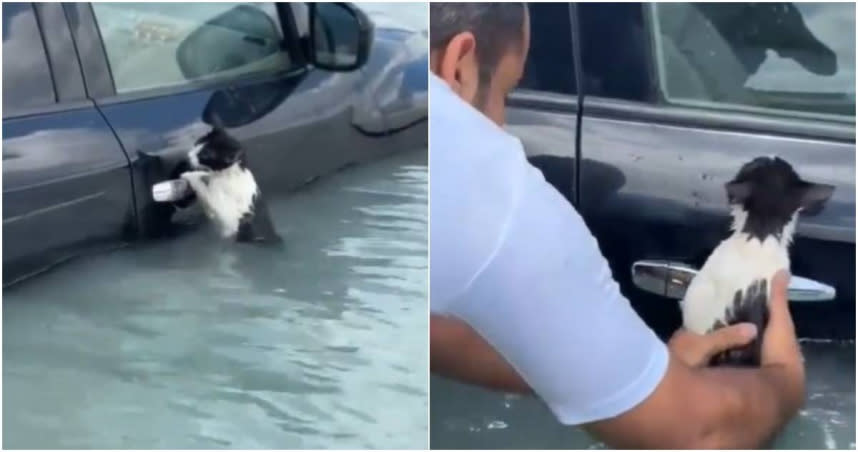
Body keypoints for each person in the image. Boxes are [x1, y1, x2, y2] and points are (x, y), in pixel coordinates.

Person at [429, 3, 805, 449]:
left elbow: (426, 327)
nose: (503, 122)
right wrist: (785, 380)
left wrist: (625, 368)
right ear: (459, 65)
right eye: (508, 93)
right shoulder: (490, 187)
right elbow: (699, 432)